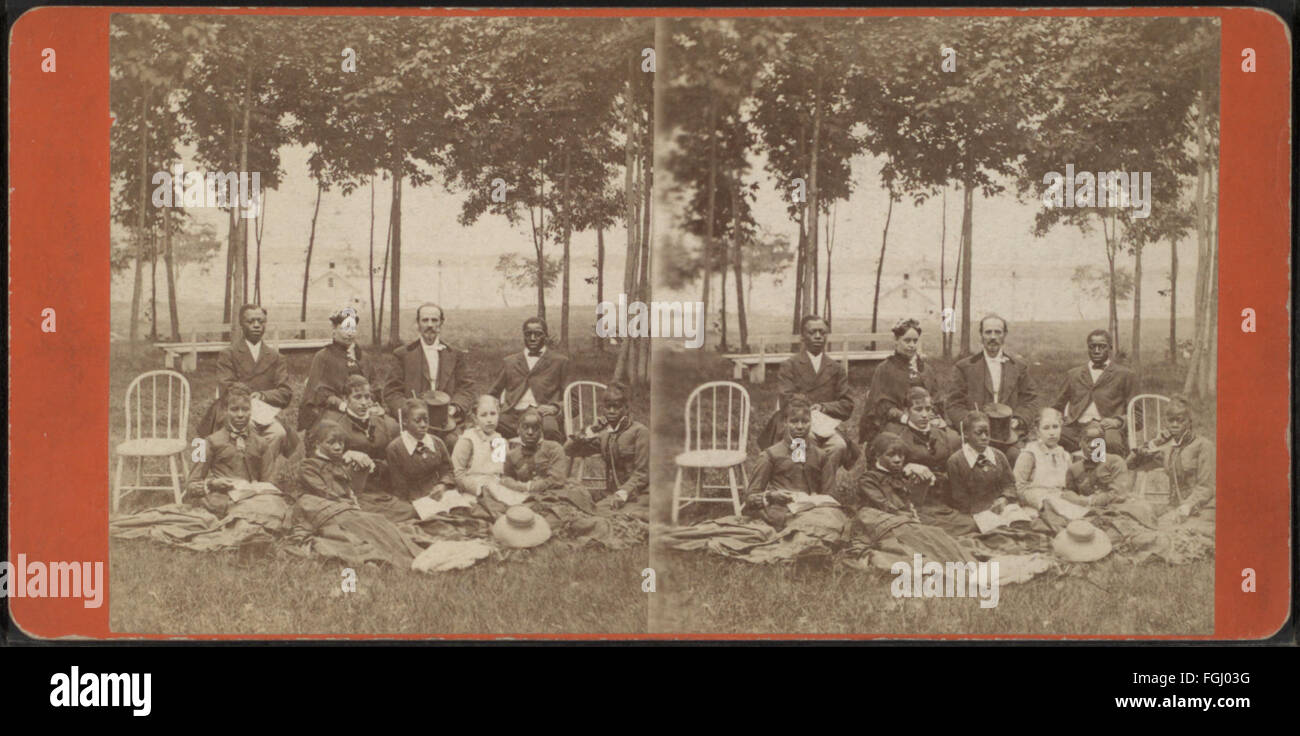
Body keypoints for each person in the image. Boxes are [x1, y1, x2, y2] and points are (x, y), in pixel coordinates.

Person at [197, 305, 294, 461]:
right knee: (247, 430)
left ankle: (262, 476)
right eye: (251, 321)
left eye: (261, 321)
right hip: (234, 411)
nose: (256, 325)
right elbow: (227, 387)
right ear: (241, 324)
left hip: (265, 414)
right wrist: (248, 399)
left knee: (279, 433)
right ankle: (240, 473)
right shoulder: (228, 354)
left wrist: (263, 395)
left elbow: (285, 392)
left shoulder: (276, 358)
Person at [758, 315, 855, 471]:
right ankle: (798, 484)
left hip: (826, 426)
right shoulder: (789, 365)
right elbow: (786, 400)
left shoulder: (836, 368)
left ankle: (825, 489)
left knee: (839, 445)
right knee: (802, 440)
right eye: (812, 332)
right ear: (802, 336)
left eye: (822, 332)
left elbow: (847, 404)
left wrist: (823, 407)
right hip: (796, 423)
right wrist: (808, 410)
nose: (818, 336)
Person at [947, 314, 1037, 465]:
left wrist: (1018, 420)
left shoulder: (1018, 367)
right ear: (981, 335)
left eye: (998, 332)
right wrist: (972, 426)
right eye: (988, 332)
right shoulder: (964, 367)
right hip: (974, 435)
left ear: (1005, 335)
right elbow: (953, 404)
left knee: (1017, 457)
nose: (993, 337)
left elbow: (1030, 400)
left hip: (1008, 434)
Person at [743, 394, 837, 528]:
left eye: (805, 421)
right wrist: (771, 496)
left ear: (812, 422)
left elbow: (829, 495)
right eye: (794, 421)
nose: (800, 426)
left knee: (833, 521)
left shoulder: (821, 456)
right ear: (784, 423)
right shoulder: (770, 455)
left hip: (814, 512)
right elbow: (750, 498)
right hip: (781, 511)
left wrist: (818, 499)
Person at [185, 383, 279, 517]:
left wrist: (259, 488)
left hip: (253, 500)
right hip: (222, 499)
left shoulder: (262, 443)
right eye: (234, 409)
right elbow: (191, 486)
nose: (240, 415)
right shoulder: (207, 442)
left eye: (245, 409)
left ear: (251, 411)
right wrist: (212, 483)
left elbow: (269, 483)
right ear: (224, 411)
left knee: (275, 506)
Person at [384, 303, 475, 430]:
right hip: (412, 423)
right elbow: (392, 392)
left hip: (447, 422)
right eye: (425, 320)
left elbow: (466, 388)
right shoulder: (403, 355)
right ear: (418, 324)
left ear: (441, 323)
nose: (430, 325)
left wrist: (454, 407)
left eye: (434, 320)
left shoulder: (455, 355)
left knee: (453, 443)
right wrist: (410, 411)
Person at [860, 318, 948, 445]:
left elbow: (936, 398)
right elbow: (881, 404)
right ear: (896, 341)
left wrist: (934, 416)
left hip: (926, 419)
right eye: (907, 340)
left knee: (952, 440)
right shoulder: (885, 369)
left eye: (915, 341)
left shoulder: (926, 369)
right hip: (897, 422)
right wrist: (906, 418)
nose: (912, 345)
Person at [298, 307, 385, 432]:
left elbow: (374, 386)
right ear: (334, 329)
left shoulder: (364, 357)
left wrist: (370, 401)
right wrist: (343, 406)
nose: (349, 333)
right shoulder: (323, 357)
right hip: (335, 411)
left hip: (364, 407)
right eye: (345, 328)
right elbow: (317, 392)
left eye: (353, 329)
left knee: (388, 429)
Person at [565, 381, 649, 509]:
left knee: (597, 513)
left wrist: (623, 493)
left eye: (617, 407)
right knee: (570, 499)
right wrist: (592, 429)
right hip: (611, 493)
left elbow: (643, 474)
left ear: (626, 408)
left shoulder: (640, 432)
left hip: (637, 494)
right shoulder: (605, 434)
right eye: (608, 407)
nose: (611, 411)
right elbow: (569, 450)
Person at [1053, 329, 1137, 456]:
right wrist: (1056, 419)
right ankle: (1065, 474)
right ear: (1088, 348)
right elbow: (1057, 406)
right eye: (1093, 346)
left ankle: (1101, 473)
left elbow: (1137, 415)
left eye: (1102, 346)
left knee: (1108, 445)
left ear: (1110, 348)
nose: (1097, 350)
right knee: (1050, 439)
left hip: (1106, 429)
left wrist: (1117, 422)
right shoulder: (1073, 374)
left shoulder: (1125, 375)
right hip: (1075, 429)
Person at [1129, 395, 1214, 521]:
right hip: (1174, 507)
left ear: (1190, 422)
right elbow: (1132, 464)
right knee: (1135, 514)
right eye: (1171, 420)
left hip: (1201, 507)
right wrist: (1155, 443)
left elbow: (1207, 487)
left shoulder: (1204, 446)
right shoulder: (1168, 448)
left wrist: (1188, 506)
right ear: (1166, 422)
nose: (1175, 424)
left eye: (1180, 420)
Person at [489, 317, 568, 442]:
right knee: (490, 427)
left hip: (542, 414)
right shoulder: (510, 361)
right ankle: (500, 460)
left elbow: (573, 401)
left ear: (546, 336)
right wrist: (492, 407)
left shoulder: (560, 362)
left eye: (538, 334)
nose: (532, 338)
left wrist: (555, 408)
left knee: (550, 431)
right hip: (512, 415)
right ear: (523, 336)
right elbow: (493, 393)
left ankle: (550, 459)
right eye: (528, 334)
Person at [451, 395, 523, 505]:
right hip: (474, 489)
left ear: (499, 414)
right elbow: (457, 474)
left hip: (496, 485)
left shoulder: (499, 439)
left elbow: (500, 471)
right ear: (475, 418)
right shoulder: (468, 440)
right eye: (483, 415)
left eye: (493, 414)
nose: (489, 420)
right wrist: (479, 489)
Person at [879, 387, 959, 484]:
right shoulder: (900, 439)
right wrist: (906, 468)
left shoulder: (941, 435)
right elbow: (887, 472)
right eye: (918, 409)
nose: (924, 415)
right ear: (907, 411)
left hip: (945, 492)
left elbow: (953, 468)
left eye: (928, 409)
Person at [944, 410, 1016, 515]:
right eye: (978, 433)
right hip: (974, 513)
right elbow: (960, 499)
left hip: (1003, 509)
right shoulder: (955, 462)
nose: (984, 437)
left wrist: (1004, 499)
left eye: (987, 433)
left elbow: (1010, 485)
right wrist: (987, 511)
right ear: (966, 434)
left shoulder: (999, 456)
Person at [384, 398, 455, 502]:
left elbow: (448, 471)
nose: (423, 425)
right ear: (405, 422)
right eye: (417, 421)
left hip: (441, 494)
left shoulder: (437, 442)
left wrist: (443, 485)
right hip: (414, 499)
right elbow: (400, 487)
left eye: (426, 420)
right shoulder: (395, 449)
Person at [1013, 407, 1074, 510]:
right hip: (1036, 505)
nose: (1052, 432)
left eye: (1055, 427)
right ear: (1037, 431)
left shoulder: (1064, 455)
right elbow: (1018, 488)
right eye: (1046, 428)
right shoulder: (1030, 454)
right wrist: (1041, 503)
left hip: (1061, 502)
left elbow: (1069, 487)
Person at [501, 408, 570, 495]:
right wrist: (518, 487)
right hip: (522, 495)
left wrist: (530, 487)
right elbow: (506, 478)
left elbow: (557, 479)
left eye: (535, 428)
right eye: (525, 427)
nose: (530, 432)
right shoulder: (512, 455)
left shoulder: (554, 448)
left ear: (541, 430)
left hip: (552, 494)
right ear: (518, 430)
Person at [1062, 423, 1132, 508]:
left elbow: (1119, 495)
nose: (1092, 445)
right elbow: (1068, 493)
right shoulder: (1073, 469)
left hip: (1114, 510)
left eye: (1097, 441)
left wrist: (1086, 501)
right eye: (1087, 440)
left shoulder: (1115, 462)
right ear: (1080, 442)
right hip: (1086, 513)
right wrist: (1073, 497)